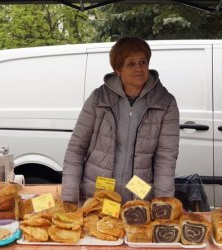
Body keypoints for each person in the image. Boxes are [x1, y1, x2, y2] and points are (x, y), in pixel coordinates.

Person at [61, 36, 180, 204]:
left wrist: (164, 203)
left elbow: (166, 158)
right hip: (99, 197)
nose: (139, 68)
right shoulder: (98, 99)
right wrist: (69, 198)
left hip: (139, 197)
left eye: (143, 62)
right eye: (131, 63)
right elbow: (76, 148)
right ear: (118, 69)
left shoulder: (165, 102)